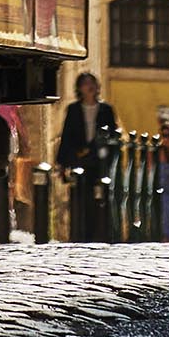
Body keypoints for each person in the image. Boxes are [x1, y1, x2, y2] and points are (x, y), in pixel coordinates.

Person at [57, 70, 119, 238]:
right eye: (85, 84)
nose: (89, 86)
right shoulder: (73, 109)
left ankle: (101, 233)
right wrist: (62, 164)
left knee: (100, 197)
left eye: (92, 83)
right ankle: (79, 233)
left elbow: (113, 136)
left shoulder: (106, 109)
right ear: (80, 88)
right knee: (79, 197)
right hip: (79, 160)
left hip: (99, 161)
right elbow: (67, 135)